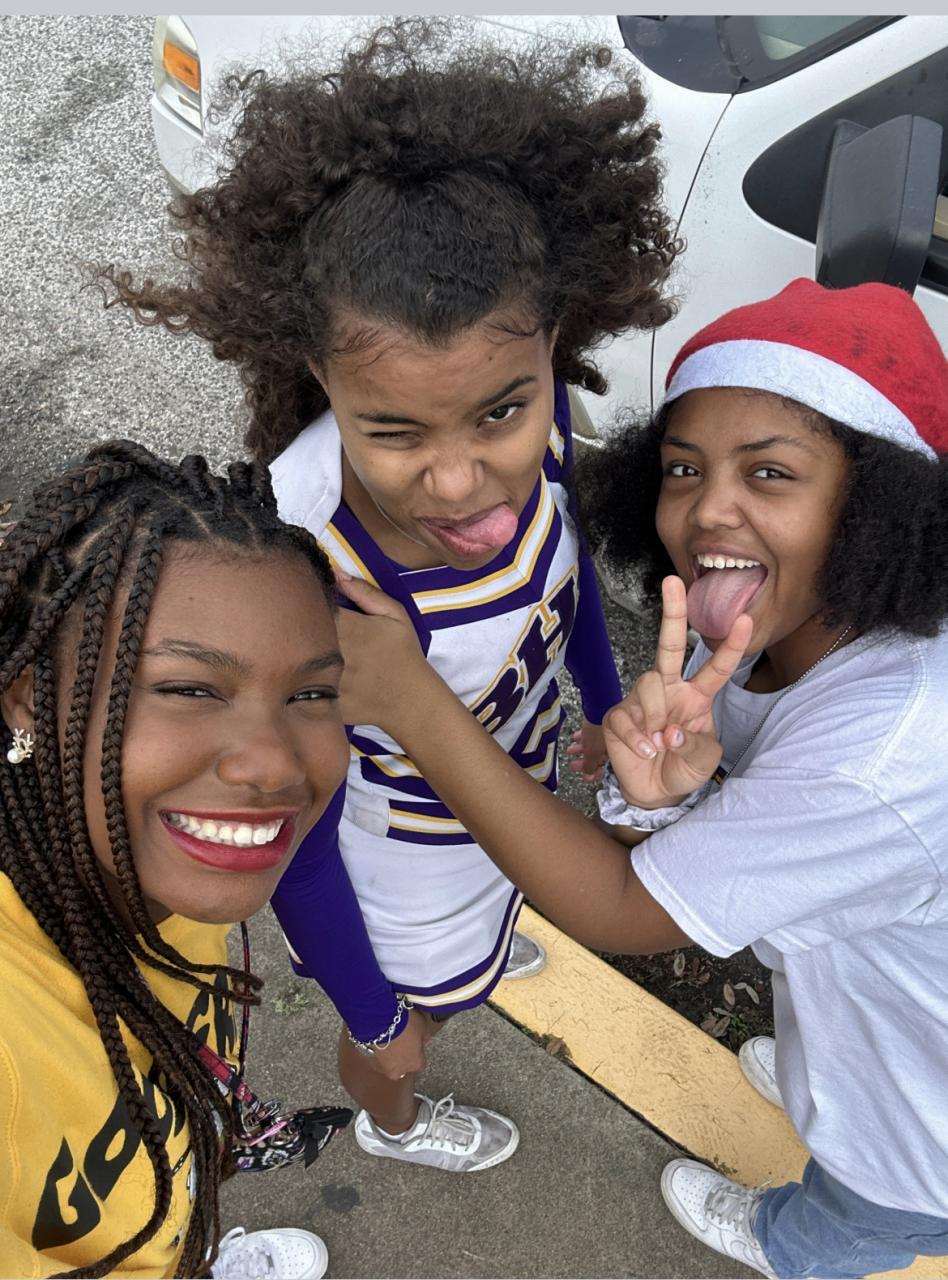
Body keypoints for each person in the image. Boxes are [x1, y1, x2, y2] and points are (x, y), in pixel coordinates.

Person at [94, 18, 679, 1170]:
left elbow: (562, 577)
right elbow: (291, 833)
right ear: (319, 374)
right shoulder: (304, 580)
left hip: (508, 810)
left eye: (500, 411)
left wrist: (604, 702)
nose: (462, 481)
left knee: (483, 944)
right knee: (417, 1030)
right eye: (396, 431)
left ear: (553, 346)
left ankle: (475, 952)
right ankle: (392, 1120)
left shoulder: (550, 423)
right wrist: (371, 1013)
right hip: (402, 879)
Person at [331, 279, 948, 1278]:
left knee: (864, 1209)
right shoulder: (780, 622)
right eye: (683, 468)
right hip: (870, 988)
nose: (708, 510)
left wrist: (412, 701)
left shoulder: (882, 754)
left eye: (771, 473)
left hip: (922, 1125)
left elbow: (626, 907)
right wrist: (653, 797)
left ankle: (782, 1243)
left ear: (878, 504)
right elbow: (704, 840)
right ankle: (813, 1083)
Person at [0, 441, 355, 1278]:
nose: (274, 765)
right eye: (189, 689)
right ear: (27, 698)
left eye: (311, 694)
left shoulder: (158, 868)